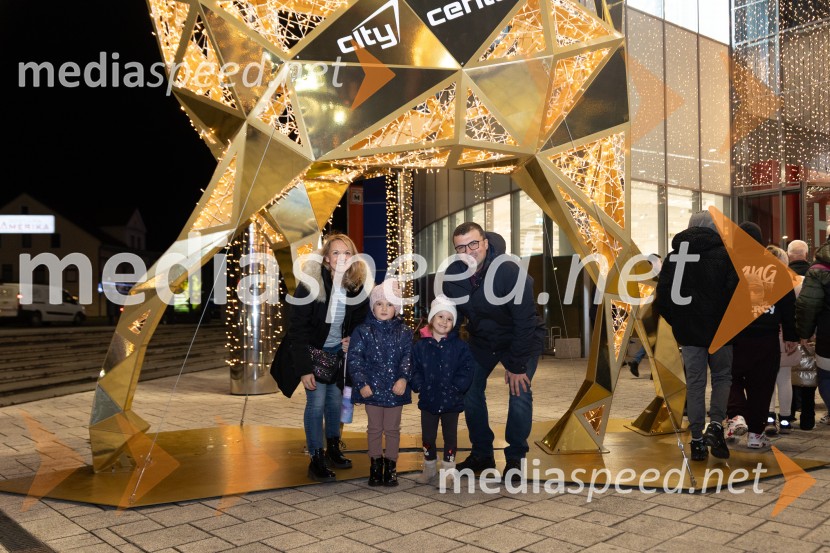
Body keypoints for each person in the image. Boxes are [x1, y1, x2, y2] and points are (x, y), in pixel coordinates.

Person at [441, 222, 546, 483]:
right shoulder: (452, 277)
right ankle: (482, 453)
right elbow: (449, 317)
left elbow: (524, 320)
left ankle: (515, 458)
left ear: (486, 243)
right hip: (484, 340)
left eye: (473, 244)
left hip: (521, 338)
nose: (469, 251)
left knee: (519, 389)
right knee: (469, 388)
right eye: (461, 247)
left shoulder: (509, 271)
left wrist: (517, 365)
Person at [273, 233, 370, 482]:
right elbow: (298, 329)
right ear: (326, 258)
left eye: (347, 252)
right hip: (312, 353)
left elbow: (360, 322)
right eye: (336, 252)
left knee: (335, 404)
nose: (342, 257)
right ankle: (316, 456)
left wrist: (351, 338)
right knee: (316, 405)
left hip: (338, 355)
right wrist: (304, 369)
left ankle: (333, 449)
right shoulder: (310, 284)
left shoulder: (357, 285)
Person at [655, 211, 739, 461]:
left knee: (695, 382)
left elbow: (664, 297)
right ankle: (716, 426)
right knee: (723, 377)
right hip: (721, 330)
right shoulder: (726, 255)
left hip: (689, 331)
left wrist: (679, 322)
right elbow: (734, 294)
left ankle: (697, 441)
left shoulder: (675, 256)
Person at [725, 238, 797, 450]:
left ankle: (736, 416)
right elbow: (788, 307)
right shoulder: (780, 275)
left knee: (732, 376)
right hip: (767, 338)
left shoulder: (737, 270)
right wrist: (791, 336)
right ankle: (756, 434)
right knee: (762, 386)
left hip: (737, 336)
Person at [348, 281, 413, 487]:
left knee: (392, 429)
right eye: (380, 304)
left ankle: (391, 465)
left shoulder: (405, 332)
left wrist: (403, 378)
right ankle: (375, 465)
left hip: (396, 390)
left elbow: (408, 357)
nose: (384, 308)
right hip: (371, 390)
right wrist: (361, 383)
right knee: (374, 428)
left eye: (390, 304)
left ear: (397, 308)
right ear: (373, 307)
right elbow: (355, 358)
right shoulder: (363, 331)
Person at [411, 295, 477, 486]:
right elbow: (414, 369)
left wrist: (458, 387)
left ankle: (449, 470)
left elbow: (467, 369)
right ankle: (429, 467)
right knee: (428, 437)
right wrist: (420, 385)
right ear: (432, 319)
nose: (444, 322)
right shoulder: (421, 346)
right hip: (429, 400)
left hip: (451, 401)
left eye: (449, 319)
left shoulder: (460, 347)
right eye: (440, 317)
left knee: (450, 437)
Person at [795, 238, 830, 429]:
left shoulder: (817, 269)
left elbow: (808, 305)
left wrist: (805, 333)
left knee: (826, 377)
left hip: (827, 334)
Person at [787, 239, 815, 426]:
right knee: (808, 373)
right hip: (810, 331)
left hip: (788, 332)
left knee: (786, 376)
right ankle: (807, 417)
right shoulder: (815, 274)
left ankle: (787, 417)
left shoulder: (783, 275)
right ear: (806, 254)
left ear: (789, 255)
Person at [626, 254, 661, 378]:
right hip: (653, 315)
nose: (659, 264)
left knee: (653, 341)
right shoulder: (653, 278)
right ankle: (654, 371)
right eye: (657, 262)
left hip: (651, 314)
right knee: (655, 341)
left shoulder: (650, 277)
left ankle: (637, 361)